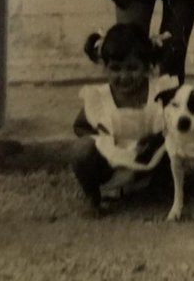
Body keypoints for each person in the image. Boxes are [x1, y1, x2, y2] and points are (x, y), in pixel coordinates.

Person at [71, 24, 180, 211]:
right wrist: (102, 138)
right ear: (105, 67)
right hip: (113, 160)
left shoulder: (160, 91)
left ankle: (160, 189)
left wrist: (156, 140)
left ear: (147, 66)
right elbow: (80, 126)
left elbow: (175, 123)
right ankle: (93, 197)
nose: (124, 76)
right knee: (81, 150)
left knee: (174, 144)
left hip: (150, 156)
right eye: (116, 68)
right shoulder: (100, 98)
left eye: (132, 68)